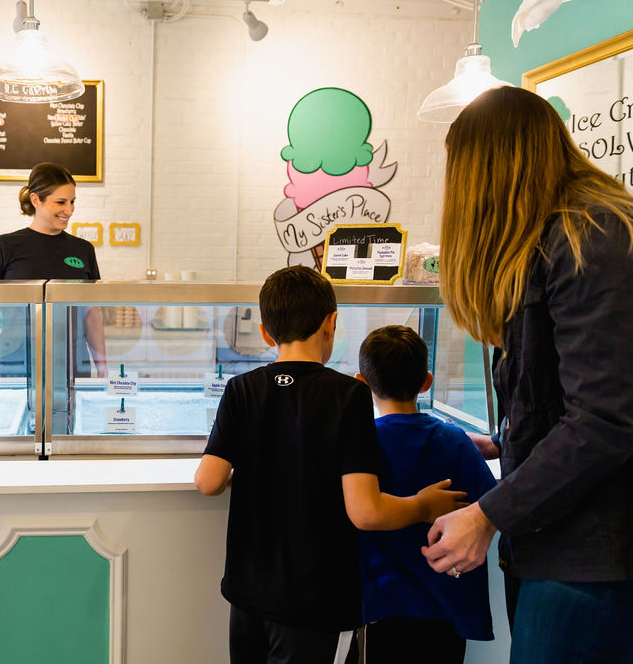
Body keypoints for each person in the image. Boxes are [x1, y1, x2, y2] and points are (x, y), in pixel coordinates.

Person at [422, 86, 633, 662]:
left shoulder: (591, 234)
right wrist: (505, 441)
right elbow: (571, 392)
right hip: (555, 547)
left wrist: (488, 513)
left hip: (594, 561)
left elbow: (604, 421)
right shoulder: (556, 237)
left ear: (488, 169)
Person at [194, 266, 467, 664]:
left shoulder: (241, 389)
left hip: (247, 592)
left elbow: (209, 481)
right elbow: (366, 511)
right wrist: (423, 506)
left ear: (267, 333)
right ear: (331, 323)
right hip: (312, 600)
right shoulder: (348, 395)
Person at [355, 325, 496, 664]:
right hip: (445, 604)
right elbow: (489, 504)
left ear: (361, 383)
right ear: (426, 381)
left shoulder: (360, 444)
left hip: (381, 603)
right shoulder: (455, 441)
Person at [0, 162, 106, 378]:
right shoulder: (5, 246)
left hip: (71, 365)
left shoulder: (83, 250)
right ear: (36, 200)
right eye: (61, 202)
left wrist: (102, 366)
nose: (69, 210)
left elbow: (91, 313)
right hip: (17, 364)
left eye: (72, 202)